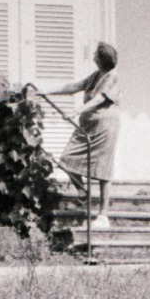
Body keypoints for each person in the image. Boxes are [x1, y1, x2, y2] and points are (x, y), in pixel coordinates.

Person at [45, 42, 120, 228]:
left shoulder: (112, 76)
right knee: (66, 159)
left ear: (101, 58)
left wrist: (77, 110)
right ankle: (83, 193)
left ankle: (103, 215)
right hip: (87, 126)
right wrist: (45, 91)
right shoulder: (96, 75)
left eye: (96, 52)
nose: (93, 54)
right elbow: (74, 86)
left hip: (105, 125)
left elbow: (100, 99)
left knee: (103, 169)